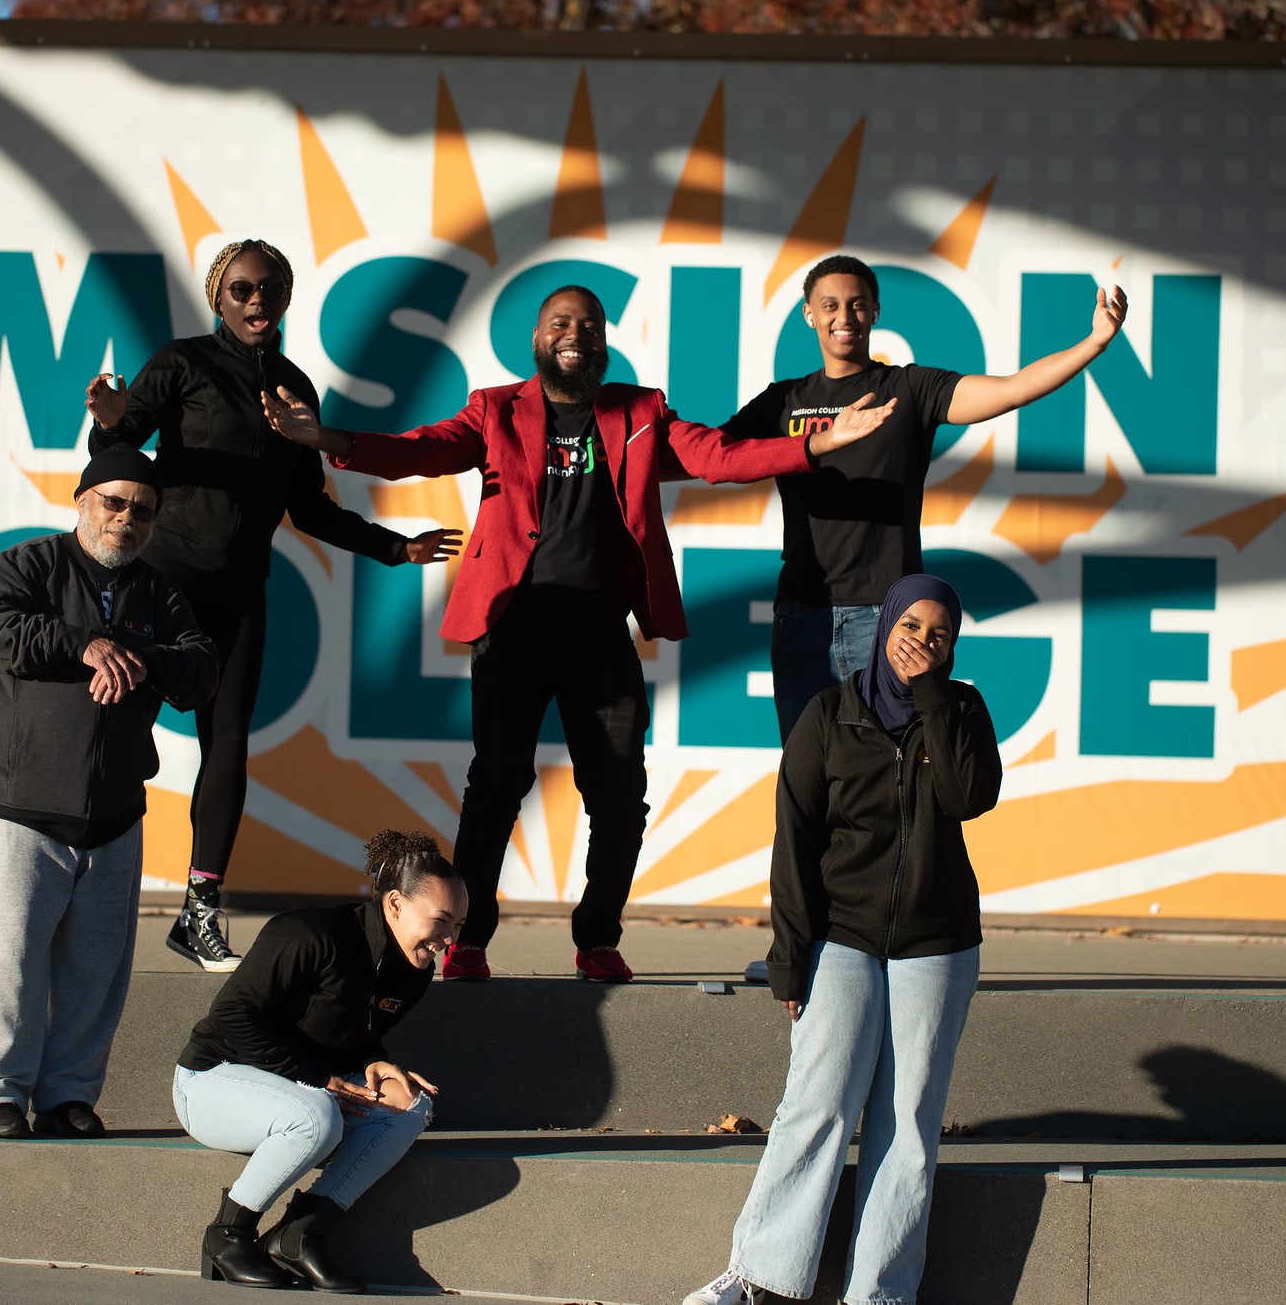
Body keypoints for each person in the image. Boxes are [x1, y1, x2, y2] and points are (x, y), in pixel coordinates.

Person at [261, 285, 894, 984]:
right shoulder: (497, 409)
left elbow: (717, 456)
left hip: (598, 629)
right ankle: (466, 941)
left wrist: (817, 442)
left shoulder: (640, 410)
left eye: (589, 324)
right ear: (537, 338)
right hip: (514, 627)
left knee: (620, 796)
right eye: (561, 322)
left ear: (603, 340)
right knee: (496, 785)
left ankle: (597, 936)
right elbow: (422, 449)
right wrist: (328, 442)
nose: (575, 333)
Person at [85, 239, 460, 973]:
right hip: (163, 586)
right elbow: (120, 452)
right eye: (242, 290)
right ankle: (87, 891)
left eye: (271, 289)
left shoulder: (294, 389)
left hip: (240, 593)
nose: (257, 302)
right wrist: (107, 419)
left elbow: (309, 509)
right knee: (116, 727)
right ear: (220, 298)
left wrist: (395, 547)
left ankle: (198, 914)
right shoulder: (182, 363)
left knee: (227, 747)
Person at [683, 574, 1001, 1305]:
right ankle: (758, 1273)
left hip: (939, 942)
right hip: (844, 936)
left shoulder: (960, 707)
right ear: (885, 622)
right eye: (910, 625)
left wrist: (931, 701)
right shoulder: (828, 714)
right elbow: (792, 844)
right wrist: (789, 960)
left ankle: (881, 1292)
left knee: (909, 1122)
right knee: (817, 1102)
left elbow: (968, 796)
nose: (922, 641)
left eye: (939, 633)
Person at [720, 254, 1127, 739]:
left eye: (857, 304)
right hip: (801, 615)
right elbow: (712, 456)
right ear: (809, 314)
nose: (843, 317)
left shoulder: (909, 389)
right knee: (807, 774)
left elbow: (1013, 390)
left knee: (890, 775)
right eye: (829, 305)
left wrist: (1094, 343)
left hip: (885, 617)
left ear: (875, 311)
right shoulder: (783, 400)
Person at [0, 446, 219, 1140]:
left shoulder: (157, 592)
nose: (126, 520)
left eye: (142, 510)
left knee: (96, 971)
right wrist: (86, 645)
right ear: (82, 500)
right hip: (23, 807)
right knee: (9, 960)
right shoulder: (27, 565)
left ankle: (69, 1093)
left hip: (113, 813)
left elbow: (201, 668)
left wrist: (142, 658)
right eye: (114, 502)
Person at [174, 829, 467, 1292]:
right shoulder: (307, 934)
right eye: (442, 921)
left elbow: (356, 1034)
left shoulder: (415, 969)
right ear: (395, 904)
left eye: (458, 926)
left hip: (304, 1087)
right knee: (315, 1116)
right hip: (213, 1080)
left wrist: (374, 1061)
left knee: (409, 1105)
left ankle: (299, 1235)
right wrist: (322, 1078)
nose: (449, 939)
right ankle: (228, 1236)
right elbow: (231, 1019)